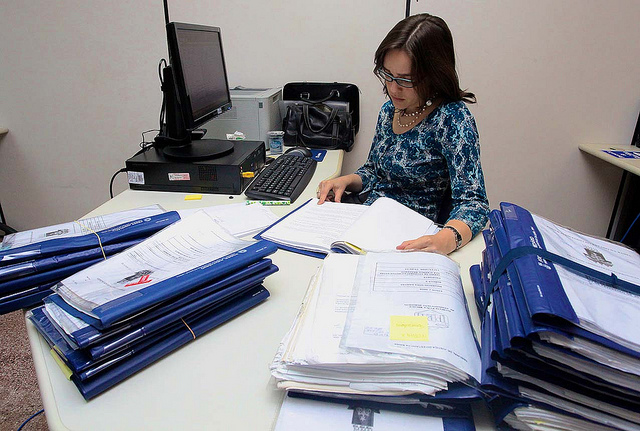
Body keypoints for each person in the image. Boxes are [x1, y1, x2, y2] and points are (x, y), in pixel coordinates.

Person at [317, 13, 489, 255]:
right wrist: (347, 180)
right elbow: (374, 171)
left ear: (434, 74)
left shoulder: (452, 119)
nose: (393, 88)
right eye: (387, 75)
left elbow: (474, 204)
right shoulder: (390, 110)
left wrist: (446, 240)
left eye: (406, 80)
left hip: (409, 239)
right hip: (367, 222)